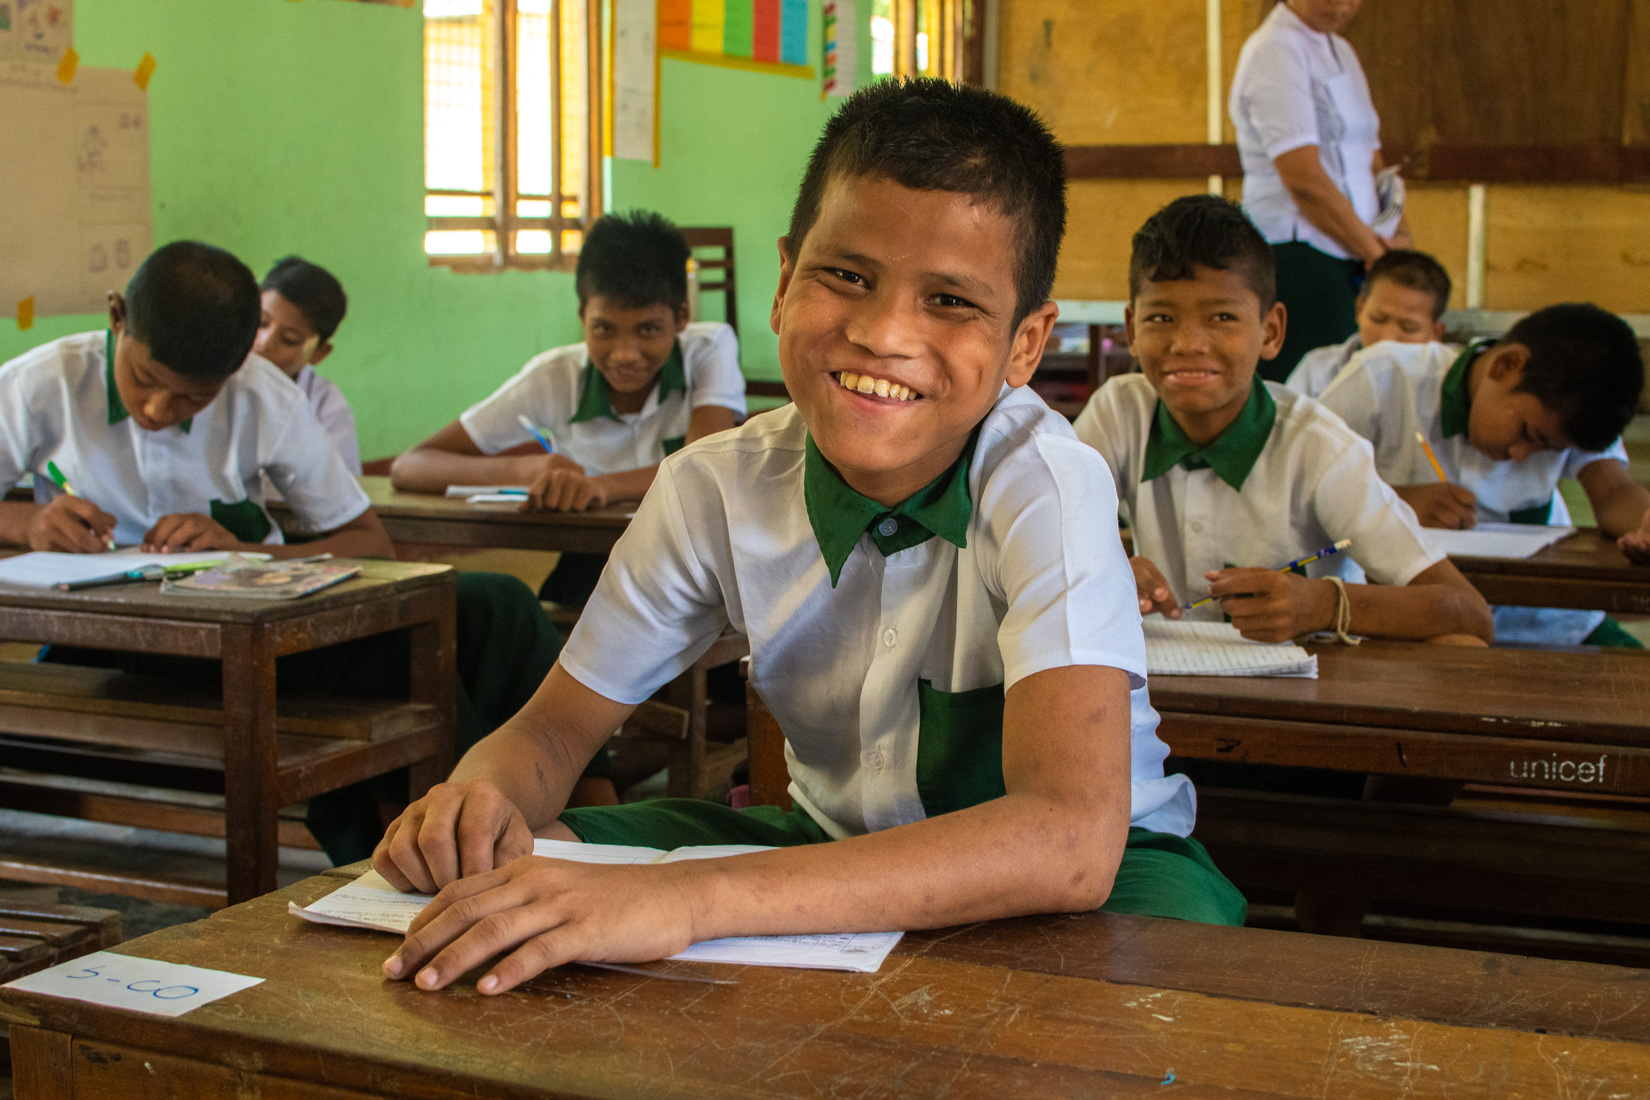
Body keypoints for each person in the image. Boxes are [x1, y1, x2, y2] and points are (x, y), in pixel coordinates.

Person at [372, 78, 1247, 999]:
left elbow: (1068, 840)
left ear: (1026, 346)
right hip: (832, 852)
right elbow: (550, 737)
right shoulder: (714, 486)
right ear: (787, 280)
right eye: (848, 276)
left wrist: (688, 899)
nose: (881, 334)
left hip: (1112, 875)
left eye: (950, 300)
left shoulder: (1046, 481)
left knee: (1130, 1006)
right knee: (522, 875)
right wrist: (481, 803)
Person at [0, 241, 613, 861]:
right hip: (120, 637)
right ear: (116, 317)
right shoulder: (43, 383)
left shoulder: (264, 396)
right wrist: (26, 522)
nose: (158, 409)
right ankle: (463, 848)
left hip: (257, 624)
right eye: (143, 380)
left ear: (240, 362)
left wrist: (243, 550)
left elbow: (364, 541)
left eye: (194, 399)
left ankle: (596, 819)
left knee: (498, 605)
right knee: (402, 655)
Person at [1073, 196, 1490, 646]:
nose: (1188, 343)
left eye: (1221, 317)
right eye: (1161, 317)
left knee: (1459, 646)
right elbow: (1051, 538)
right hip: (1166, 690)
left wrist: (1324, 605)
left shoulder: (1320, 448)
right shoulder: (1120, 412)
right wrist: (1105, 566)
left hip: (1305, 699)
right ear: (1132, 330)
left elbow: (1468, 613)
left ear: (1271, 331)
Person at [390, 211, 746, 606]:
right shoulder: (553, 378)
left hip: (694, 555)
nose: (625, 354)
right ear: (581, 316)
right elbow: (410, 466)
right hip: (594, 559)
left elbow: (700, 467)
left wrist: (599, 487)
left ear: (682, 317)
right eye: (603, 329)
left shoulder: (710, 348)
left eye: (648, 329)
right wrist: (532, 469)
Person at [1317, 304, 1650, 646]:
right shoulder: (1383, 378)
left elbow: (1614, 492)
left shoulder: (1571, 408)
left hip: (1552, 622)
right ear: (1506, 366)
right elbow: (1302, 482)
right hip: (1419, 623)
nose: (1521, 455)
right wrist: (1393, 502)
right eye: (1527, 433)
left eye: (1547, 449)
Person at [1230, 0, 1411, 382]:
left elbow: (1371, 158)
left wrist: (1399, 234)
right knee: (1305, 389)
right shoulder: (1274, 49)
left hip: (1356, 251)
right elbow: (1303, 179)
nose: (1342, 3)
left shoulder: (1340, 48)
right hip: (1300, 253)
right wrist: (1375, 252)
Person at [1285, 248, 1449, 398]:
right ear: (1359, 310)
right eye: (1378, 319)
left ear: (1436, 333)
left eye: (1408, 328)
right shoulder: (1317, 372)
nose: (1387, 339)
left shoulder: (1446, 382)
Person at [255, 256, 362, 474]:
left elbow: (341, 488)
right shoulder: (212, 380)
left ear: (319, 353)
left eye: (289, 339)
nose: (264, 343)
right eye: (261, 323)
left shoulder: (325, 405)